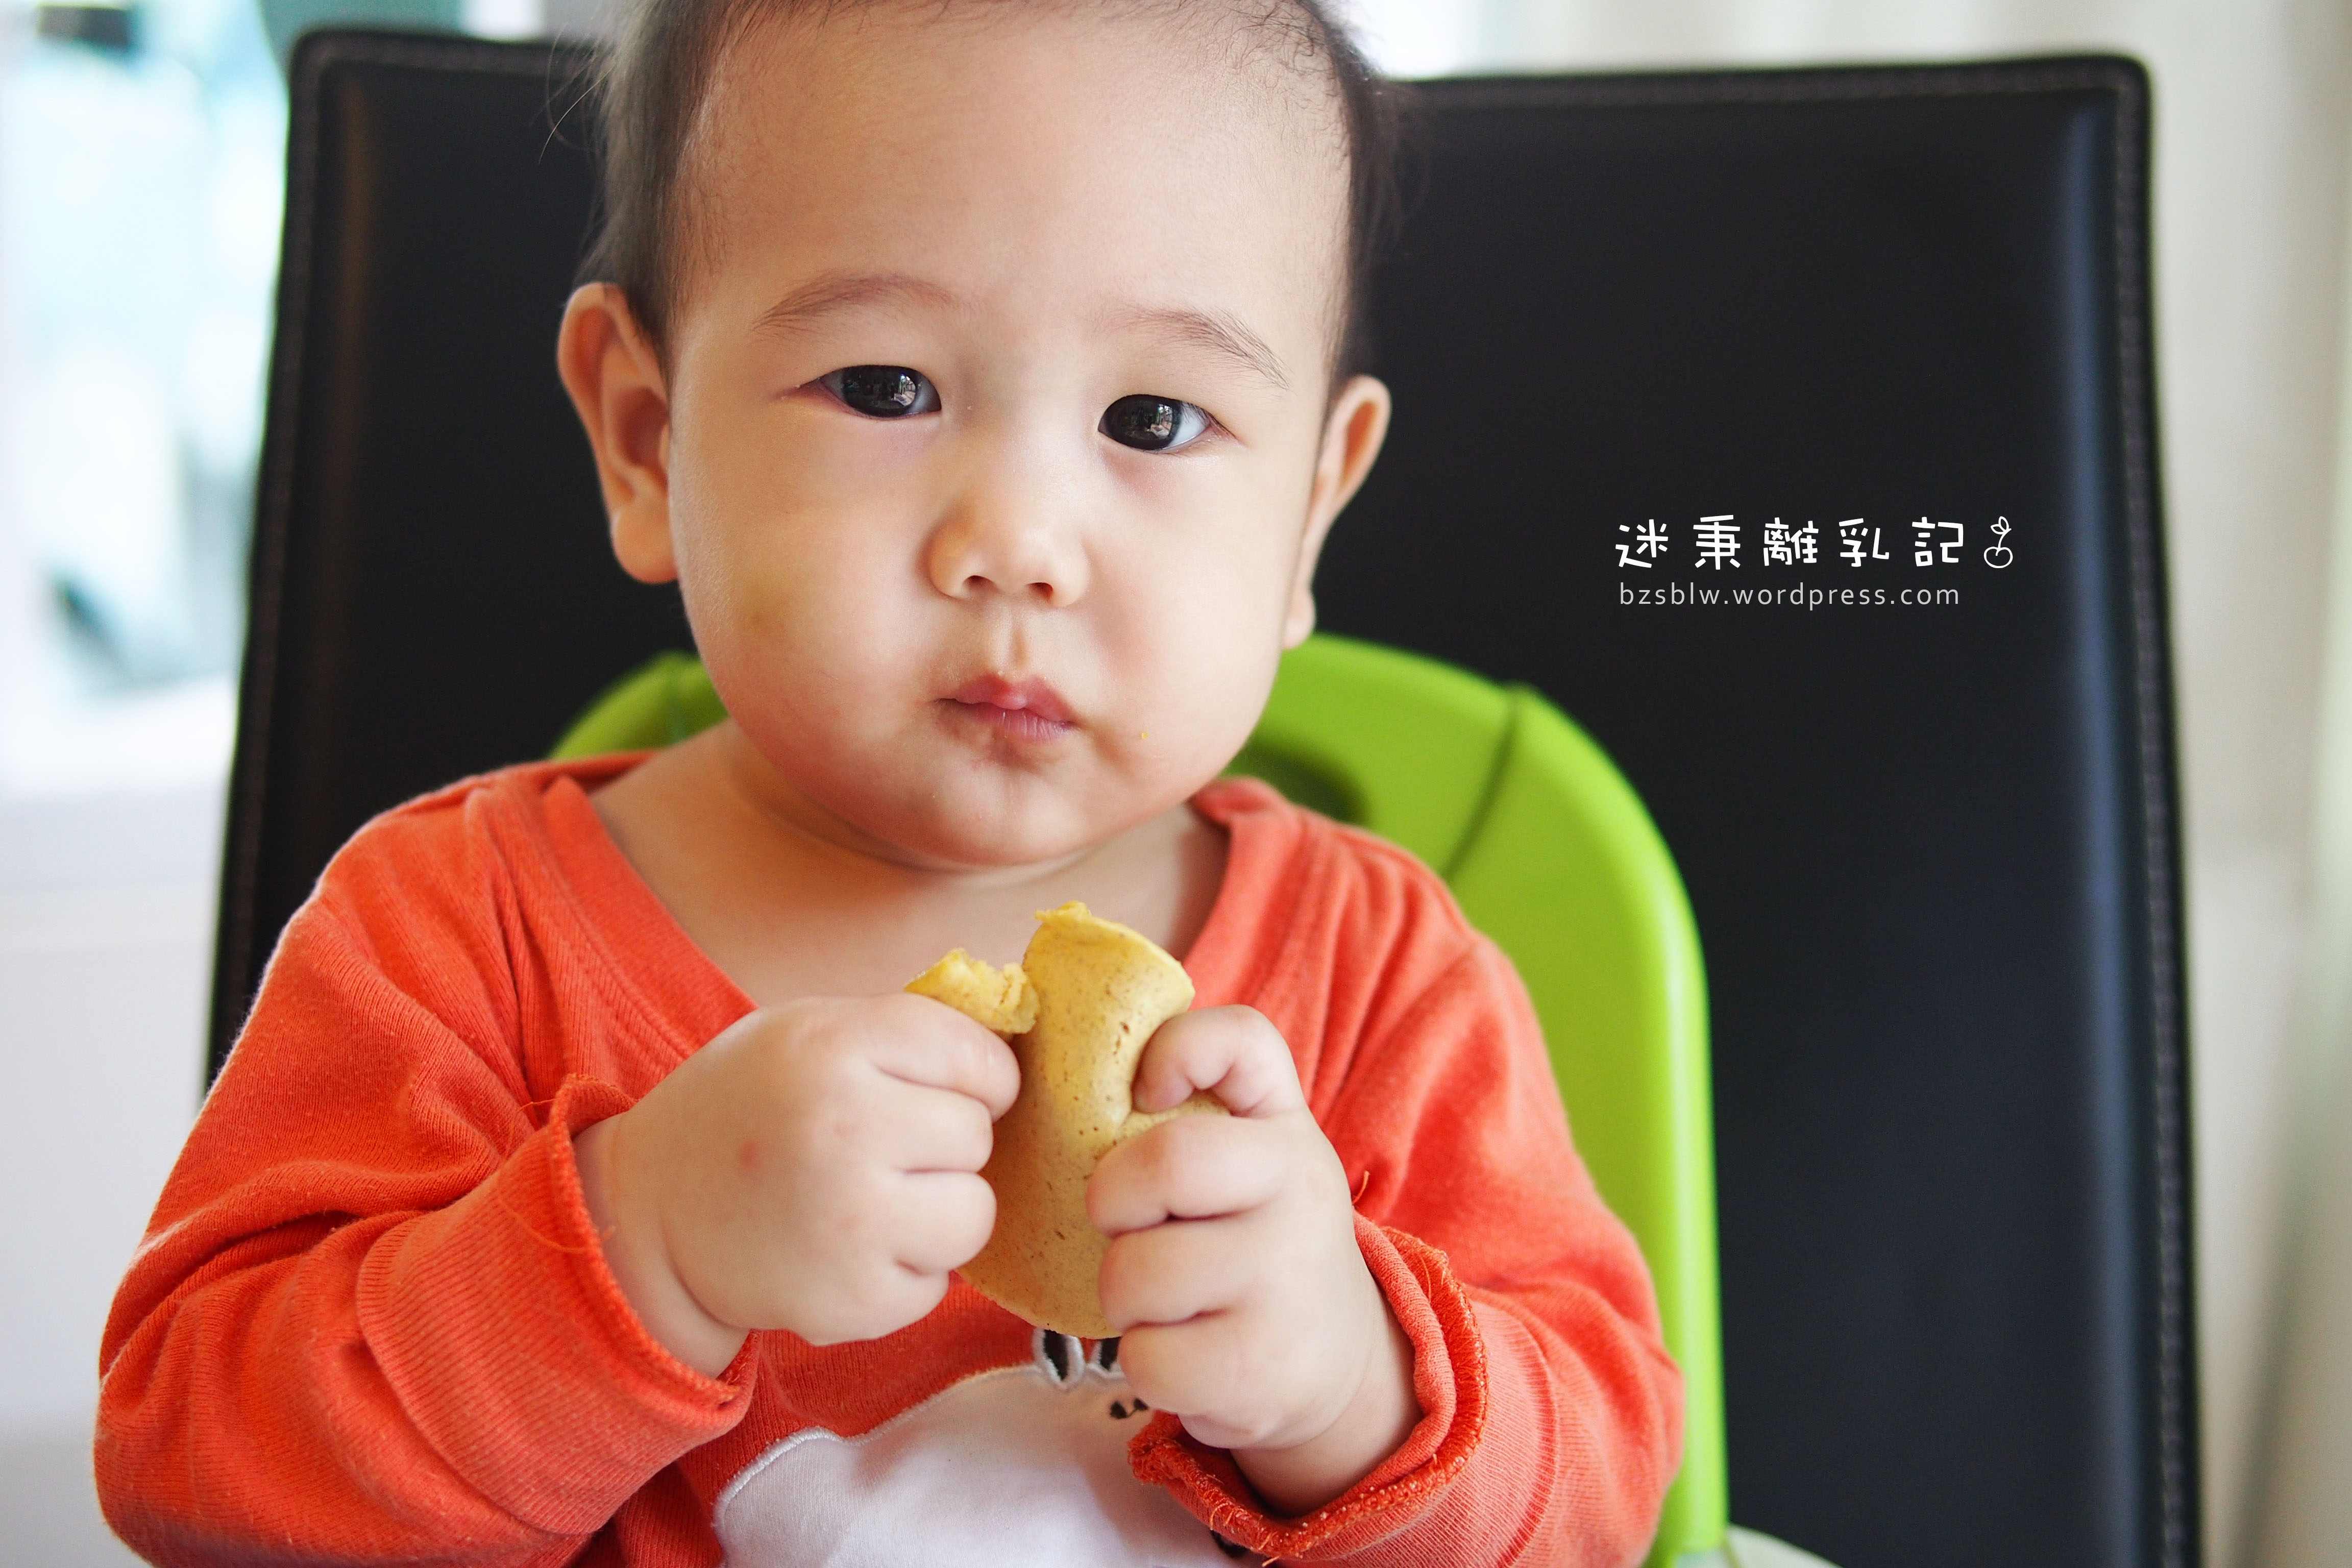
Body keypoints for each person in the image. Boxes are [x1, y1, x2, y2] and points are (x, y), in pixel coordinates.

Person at [95, 2, 1683, 1562]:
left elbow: (1609, 1493)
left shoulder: (1388, 981)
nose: (1021, 542)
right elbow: (197, 1470)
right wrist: (640, 1243)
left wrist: (1352, 1384)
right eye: (885, 388)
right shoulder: (454, 939)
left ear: (1311, 511)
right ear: (648, 438)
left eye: (1154, 418)